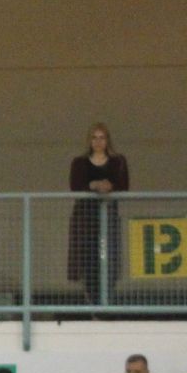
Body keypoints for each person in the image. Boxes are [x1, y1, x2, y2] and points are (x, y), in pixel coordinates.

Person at [67, 122, 129, 299]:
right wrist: (92, 185)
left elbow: (124, 186)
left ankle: (108, 296)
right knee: (89, 257)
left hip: (108, 214)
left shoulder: (118, 161)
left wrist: (110, 186)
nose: (98, 141)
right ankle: (91, 297)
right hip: (86, 217)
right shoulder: (79, 163)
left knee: (109, 255)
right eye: (94, 138)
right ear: (89, 141)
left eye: (102, 138)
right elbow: (75, 187)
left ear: (108, 140)